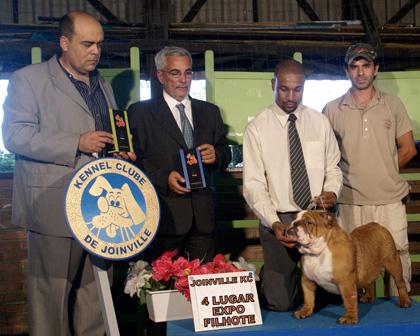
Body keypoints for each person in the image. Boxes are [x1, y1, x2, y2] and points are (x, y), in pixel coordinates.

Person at [2, 11, 134, 335]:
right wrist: (75, 142)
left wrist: (118, 152)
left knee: (95, 298)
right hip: (53, 207)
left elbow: (103, 137)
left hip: (99, 212)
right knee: (51, 301)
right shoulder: (27, 79)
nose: (95, 51)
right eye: (87, 44)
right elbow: (15, 136)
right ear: (64, 43)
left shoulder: (102, 84)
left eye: (100, 45)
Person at [243, 59, 342, 311]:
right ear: (273, 84)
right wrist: (273, 222)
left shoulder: (319, 122)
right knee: (280, 304)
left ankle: (308, 282)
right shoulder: (257, 128)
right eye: (284, 88)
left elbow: (333, 167)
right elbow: (253, 184)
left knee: (332, 299)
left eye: (297, 89)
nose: (291, 96)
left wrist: (332, 190)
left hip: (318, 215)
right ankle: (276, 279)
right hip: (281, 218)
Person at [323, 42, 417, 295]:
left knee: (396, 259)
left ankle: (401, 318)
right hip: (350, 200)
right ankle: (359, 324)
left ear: (376, 69)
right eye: (354, 67)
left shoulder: (393, 104)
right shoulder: (331, 109)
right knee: (352, 263)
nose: (360, 72)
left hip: (389, 199)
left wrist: (384, 169)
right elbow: (324, 156)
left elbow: (408, 148)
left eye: (366, 66)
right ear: (346, 71)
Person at [128, 46, 230, 263]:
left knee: (203, 291)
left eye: (188, 72)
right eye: (176, 73)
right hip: (164, 218)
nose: (183, 80)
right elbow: (134, 161)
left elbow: (225, 153)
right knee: (163, 291)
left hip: (204, 221)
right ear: (160, 75)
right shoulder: (139, 113)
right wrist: (163, 178)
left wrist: (217, 155)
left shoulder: (210, 112)